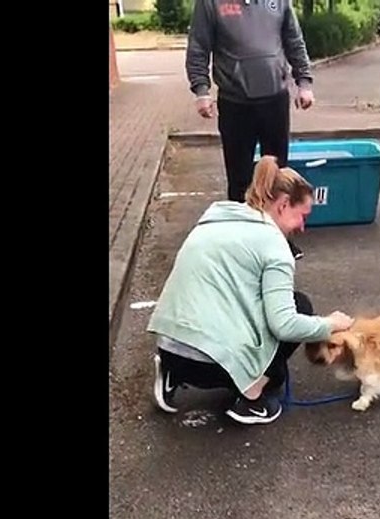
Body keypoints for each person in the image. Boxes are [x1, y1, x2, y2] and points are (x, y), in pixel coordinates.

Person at [147, 156, 353, 425]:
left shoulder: (216, 217)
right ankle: (251, 398)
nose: (303, 227)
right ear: (282, 205)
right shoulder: (275, 246)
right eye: (302, 216)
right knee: (299, 305)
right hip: (213, 368)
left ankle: (172, 372)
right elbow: (285, 326)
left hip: (170, 346)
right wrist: (330, 324)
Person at [186, 0, 316, 260]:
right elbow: (198, 47)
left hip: (275, 100)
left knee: (278, 175)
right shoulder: (211, 3)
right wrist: (201, 90)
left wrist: (304, 82)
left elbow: (294, 40)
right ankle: (241, 244)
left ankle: (280, 241)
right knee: (239, 176)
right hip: (235, 102)